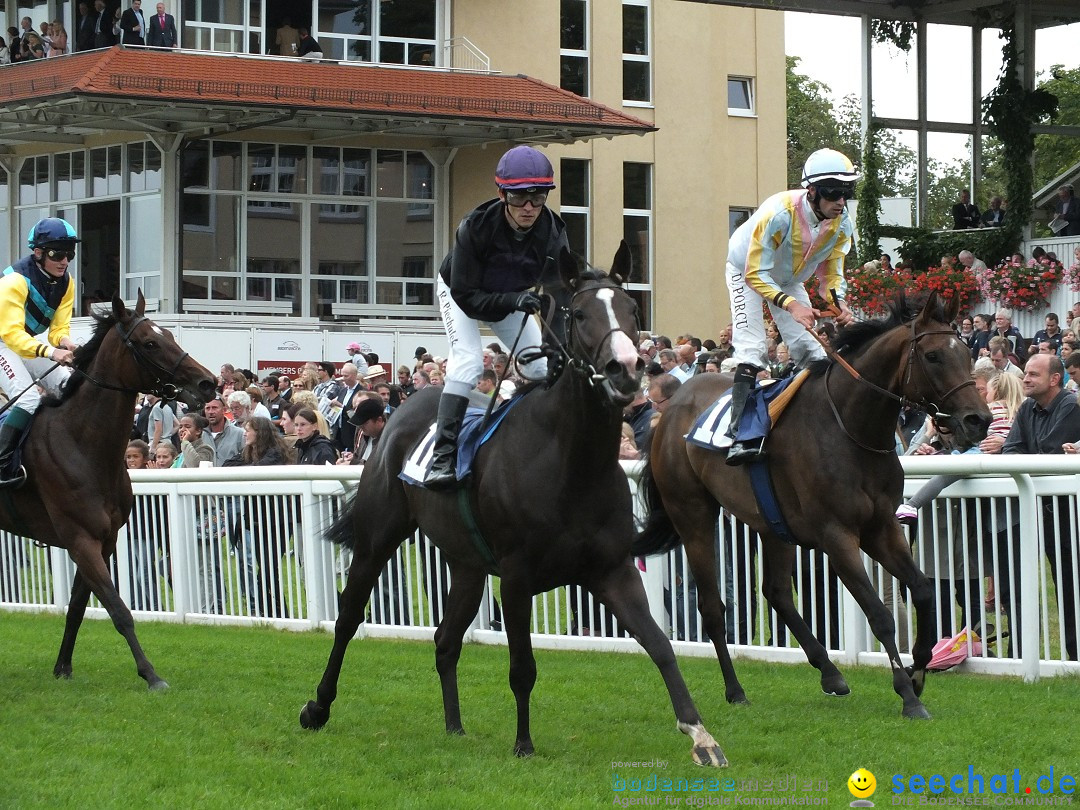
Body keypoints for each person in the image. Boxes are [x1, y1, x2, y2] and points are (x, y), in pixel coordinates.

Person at [425, 145, 569, 490]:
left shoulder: (553, 232)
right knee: (469, 363)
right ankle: (442, 458)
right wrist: (513, 300)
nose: (530, 208)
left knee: (541, 367)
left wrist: (558, 348)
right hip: (461, 291)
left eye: (538, 197)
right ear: (502, 194)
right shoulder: (474, 227)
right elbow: (469, 298)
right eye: (520, 198)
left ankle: (526, 431)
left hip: (510, 299)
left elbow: (559, 295)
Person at [723, 147, 856, 463]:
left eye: (846, 193)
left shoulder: (842, 223)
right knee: (753, 351)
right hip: (747, 272)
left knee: (811, 352)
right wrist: (793, 307)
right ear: (812, 191)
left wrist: (840, 305)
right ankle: (739, 436)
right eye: (834, 193)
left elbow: (830, 277)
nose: (841, 201)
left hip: (787, 278)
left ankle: (808, 424)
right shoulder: (779, 213)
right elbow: (756, 274)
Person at [1001, 354, 1080, 660]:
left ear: (1055, 379)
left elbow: (1048, 452)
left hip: (1063, 512)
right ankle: (1019, 654)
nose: (1026, 379)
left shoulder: (1071, 406)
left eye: (1034, 374)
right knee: (1016, 581)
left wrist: (1026, 456)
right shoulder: (1026, 407)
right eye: (1026, 374)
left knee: (1069, 584)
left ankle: (1075, 658)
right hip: (1029, 508)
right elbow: (1011, 450)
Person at [0, 218, 80, 487]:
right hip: (3, 342)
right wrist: (50, 352)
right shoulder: (14, 281)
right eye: (57, 254)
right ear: (38, 253)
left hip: (25, 342)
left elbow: (58, 329)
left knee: (69, 385)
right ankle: (2, 464)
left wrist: (67, 343)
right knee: (27, 400)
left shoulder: (67, 283)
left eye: (69, 254)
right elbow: (11, 335)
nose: (64, 261)